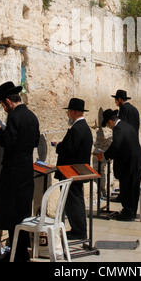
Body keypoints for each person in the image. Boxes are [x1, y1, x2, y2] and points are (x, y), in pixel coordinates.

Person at [0, 81, 40, 262]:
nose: (4, 109)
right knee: (22, 213)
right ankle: (20, 253)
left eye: (3, 105)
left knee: (12, 215)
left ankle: (16, 255)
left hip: (13, 171)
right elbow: (35, 141)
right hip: (26, 169)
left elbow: (8, 142)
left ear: (7, 101)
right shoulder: (31, 116)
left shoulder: (13, 117)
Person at [52, 98, 93, 240]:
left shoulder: (77, 128)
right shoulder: (84, 127)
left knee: (74, 202)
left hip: (71, 172)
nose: (68, 114)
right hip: (77, 171)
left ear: (73, 112)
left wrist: (58, 146)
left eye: (69, 112)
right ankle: (78, 229)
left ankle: (79, 231)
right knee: (75, 201)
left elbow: (69, 149)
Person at [96, 109, 141, 221]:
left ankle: (128, 214)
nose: (109, 127)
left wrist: (104, 156)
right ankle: (130, 211)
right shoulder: (126, 126)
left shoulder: (118, 129)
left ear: (110, 122)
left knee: (128, 189)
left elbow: (116, 146)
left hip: (130, 164)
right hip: (136, 162)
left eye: (108, 125)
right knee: (133, 189)